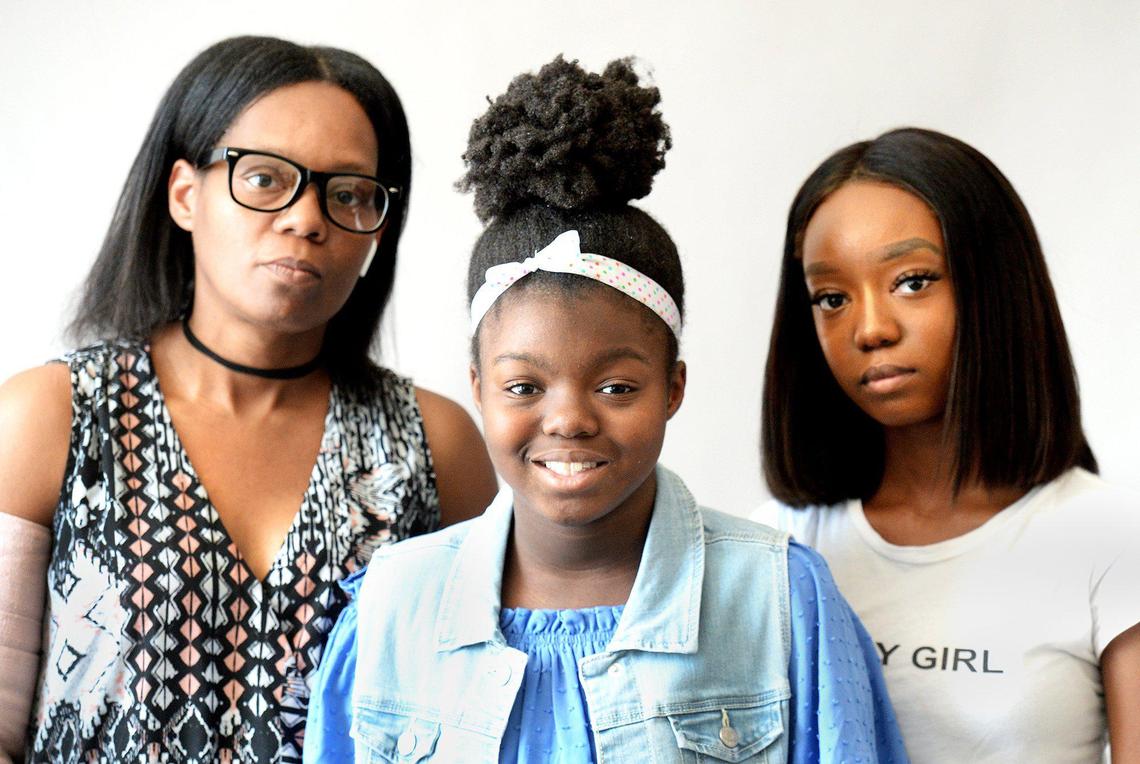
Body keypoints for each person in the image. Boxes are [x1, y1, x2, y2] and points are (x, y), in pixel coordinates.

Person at [305, 56, 908, 763]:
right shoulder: (390, 608)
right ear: (477, 388)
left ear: (673, 388)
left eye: (616, 387)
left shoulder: (779, 599)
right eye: (524, 387)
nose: (569, 420)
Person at [0, 35, 497, 763]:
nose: (306, 218)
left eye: (350, 192)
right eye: (265, 178)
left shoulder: (435, 444)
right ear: (184, 194)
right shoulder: (53, 417)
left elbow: (479, 718)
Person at [756, 127, 1140, 761]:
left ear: (996, 286)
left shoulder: (1112, 540)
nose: (871, 328)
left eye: (913, 281)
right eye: (831, 298)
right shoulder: (779, 551)